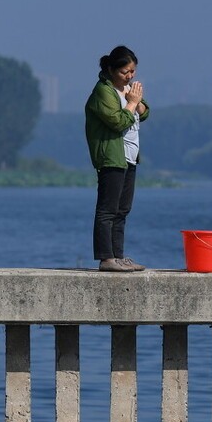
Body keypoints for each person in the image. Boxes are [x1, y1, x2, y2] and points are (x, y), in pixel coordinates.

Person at [85, 45, 149, 272]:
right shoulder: (103, 91)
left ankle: (118, 256)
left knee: (123, 210)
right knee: (107, 209)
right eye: (125, 72)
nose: (130, 76)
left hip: (129, 157)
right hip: (112, 156)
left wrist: (138, 103)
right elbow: (118, 121)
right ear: (111, 69)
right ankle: (106, 258)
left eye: (132, 71)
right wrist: (132, 103)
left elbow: (143, 112)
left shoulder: (127, 89)